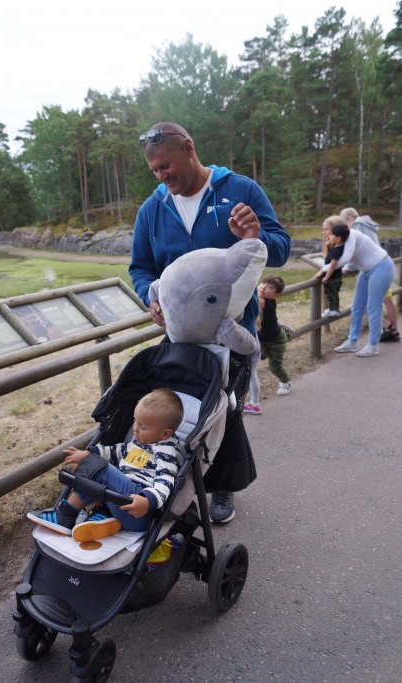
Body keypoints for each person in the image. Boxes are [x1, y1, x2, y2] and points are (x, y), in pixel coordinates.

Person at [129, 122, 291, 524]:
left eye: (166, 165)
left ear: (188, 147)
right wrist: (151, 294)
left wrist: (257, 235)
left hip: (231, 333)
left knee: (226, 408)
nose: (162, 176)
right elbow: (141, 269)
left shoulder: (240, 189)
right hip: (179, 335)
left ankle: (221, 487)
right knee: (183, 410)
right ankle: (176, 481)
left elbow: (281, 247)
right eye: (155, 171)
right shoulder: (152, 209)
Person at [28, 388, 184, 541]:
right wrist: (90, 453)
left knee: (100, 469)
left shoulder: (166, 450)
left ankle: (65, 515)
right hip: (116, 503)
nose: (135, 428)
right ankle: (101, 516)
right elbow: (116, 451)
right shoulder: (138, 442)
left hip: (137, 510)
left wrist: (148, 501)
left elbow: (165, 480)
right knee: (96, 470)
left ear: (165, 434)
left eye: (143, 426)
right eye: (135, 421)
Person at [328, 225, 396, 357]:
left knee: (373, 307)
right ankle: (352, 341)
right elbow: (339, 260)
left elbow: (346, 258)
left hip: (381, 267)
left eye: (328, 231)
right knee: (357, 307)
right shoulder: (340, 242)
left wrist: (324, 271)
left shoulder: (352, 235)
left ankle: (373, 345)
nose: (326, 234)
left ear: (338, 235)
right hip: (366, 271)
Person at [243, 275, 291, 411]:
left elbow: (251, 299)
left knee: (274, 367)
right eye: (263, 283)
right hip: (262, 339)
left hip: (276, 340)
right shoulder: (263, 300)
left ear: (275, 295)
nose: (264, 286)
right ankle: (253, 401)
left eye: (270, 287)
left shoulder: (264, 302)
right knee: (257, 361)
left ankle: (285, 382)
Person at [315, 223, 346, 318]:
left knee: (330, 294)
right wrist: (328, 245)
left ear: (338, 238)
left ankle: (333, 310)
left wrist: (326, 276)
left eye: (332, 235)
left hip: (332, 277)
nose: (328, 236)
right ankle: (335, 309)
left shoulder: (336, 251)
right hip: (337, 276)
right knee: (334, 294)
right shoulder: (340, 247)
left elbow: (332, 265)